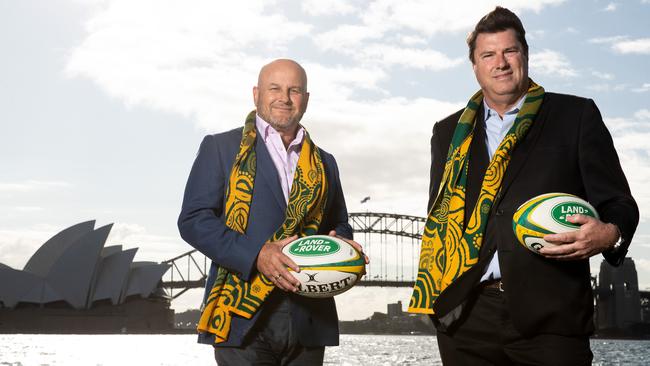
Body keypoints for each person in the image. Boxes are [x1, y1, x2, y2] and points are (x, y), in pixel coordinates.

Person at [409, 6, 638, 365]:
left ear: (525, 56)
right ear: (475, 66)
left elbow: (619, 203)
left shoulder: (575, 116)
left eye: (509, 51)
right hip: (467, 317)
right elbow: (438, 215)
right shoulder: (447, 132)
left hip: (551, 316)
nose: (500, 63)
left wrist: (609, 235)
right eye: (488, 54)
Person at [178, 59, 364, 365]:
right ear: (256, 94)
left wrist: (342, 244)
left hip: (308, 318)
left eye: (294, 90)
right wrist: (256, 255)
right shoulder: (222, 147)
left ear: (306, 98)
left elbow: (339, 223)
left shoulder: (325, 162)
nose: (284, 97)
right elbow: (193, 220)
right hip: (241, 317)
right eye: (274, 88)